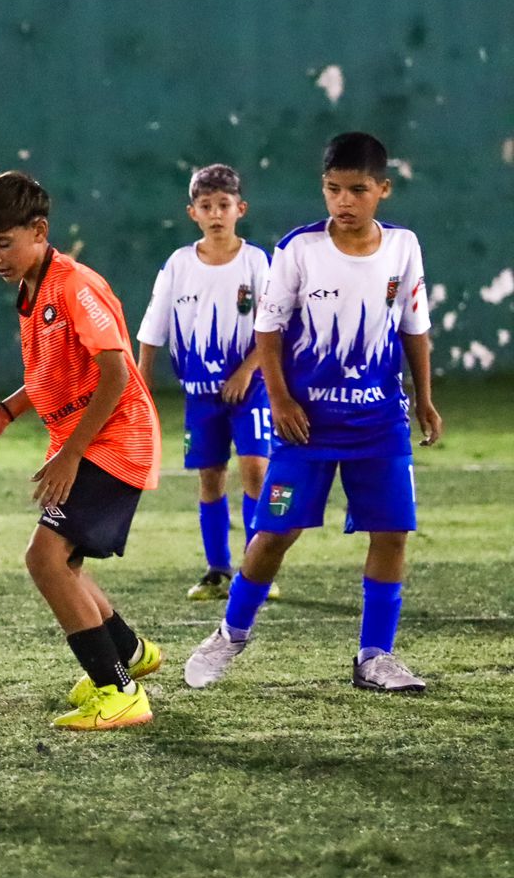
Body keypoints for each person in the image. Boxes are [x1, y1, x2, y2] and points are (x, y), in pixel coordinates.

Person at [184, 132, 443, 692]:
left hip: (379, 423)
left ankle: (375, 657)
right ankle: (230, 634)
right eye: (332, 190)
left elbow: (414, 327)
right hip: (307, 427)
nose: (343, 201)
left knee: (392, 531)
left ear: (382, 191)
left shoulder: (404, 247)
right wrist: (278, 398)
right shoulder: (299, 249)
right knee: (275, 532)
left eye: (357, 190)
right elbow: (268, 329)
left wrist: (423, 398)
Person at [0, 171, 163, 730]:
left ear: (40, 230)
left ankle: (119, 692)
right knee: (63, 560)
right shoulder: (32, 288)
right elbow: (52, 373)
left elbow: (116, 374)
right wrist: (6, 411)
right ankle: (130, 653)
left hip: (116, 440)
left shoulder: (74, 285)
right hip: (88, 439)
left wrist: (71, 453)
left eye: (4, 243)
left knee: (45, 558)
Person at [135, 164, 279, 602]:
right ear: (192, 212)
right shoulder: (179, 264)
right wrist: (142, 389)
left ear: (241, 209)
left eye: (224, 205)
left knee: (255, 470)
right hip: (200, 394)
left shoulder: (256, 261)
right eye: (206, 206)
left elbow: (273, 328)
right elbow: (152, 330)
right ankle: (218, 569)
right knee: (210, 476)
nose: (216, 213)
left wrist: (246, 370)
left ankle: (257, 571)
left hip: (250, 387)